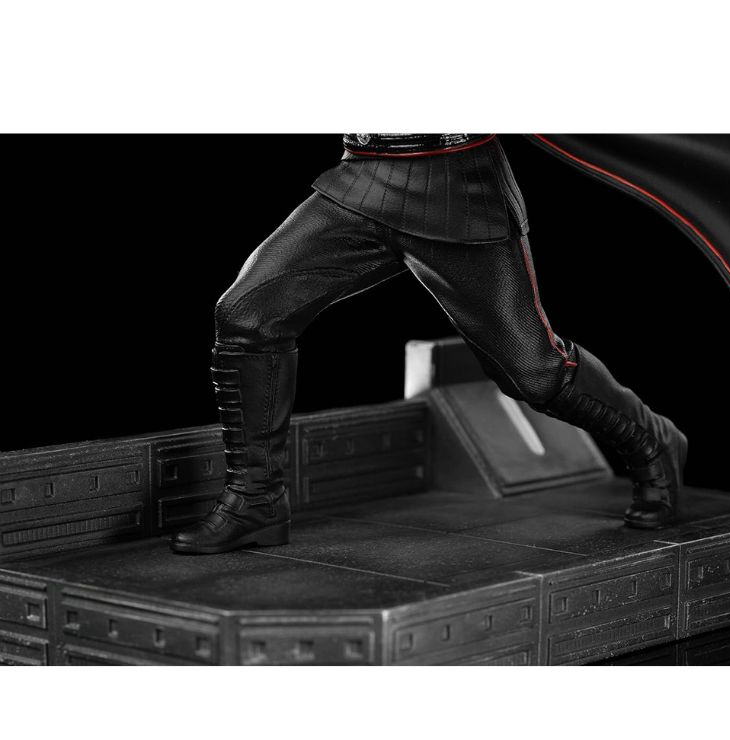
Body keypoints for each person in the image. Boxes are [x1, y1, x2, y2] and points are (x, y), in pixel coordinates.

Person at [170, 134, 686, 555]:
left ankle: (651, 439)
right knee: (247, 315)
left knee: (533, 373)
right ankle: (256, 499)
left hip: (459, 186)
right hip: (363, 179)